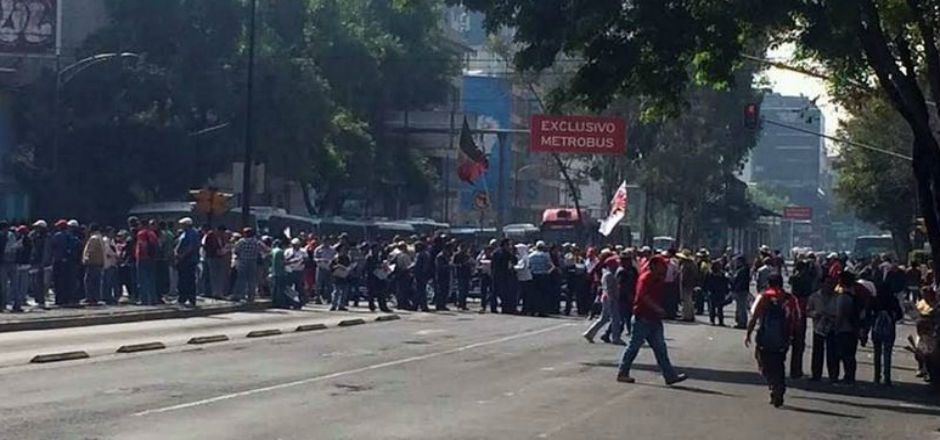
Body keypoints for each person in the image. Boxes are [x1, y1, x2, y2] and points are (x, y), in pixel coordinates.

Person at [616, 256, 687, 385]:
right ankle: (623, 373)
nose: (664, 267)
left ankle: (670, 376)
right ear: (653, 265)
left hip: (654, 318)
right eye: (662, 265)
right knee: (633, 347)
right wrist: (657, 308)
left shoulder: (658, 278)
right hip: (642, 318)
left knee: (661, 349)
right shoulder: (646, 278)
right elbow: (643, 296)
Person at [746, 274, 800, 408]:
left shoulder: (764, 296)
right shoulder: (790, 298)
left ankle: (773, 385)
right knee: (779, 363)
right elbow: (796, 318)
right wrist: (792, 336)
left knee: (763, 362)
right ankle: (779, 386)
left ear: (769, 283)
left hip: (764, 338)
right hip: (783, 338)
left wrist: (748, 334)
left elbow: (754, 316)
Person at [583, 256, 624, 344]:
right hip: (610, 298)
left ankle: (589, 333)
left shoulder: (608, 274)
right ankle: (616, 338)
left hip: (607, 298)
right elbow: (608, 289)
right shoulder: (609, 275)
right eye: (615, 264)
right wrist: (612, 299)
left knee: (604, 318)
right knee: (616, 319)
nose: (617, 266)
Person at [870, 285, 904, 386]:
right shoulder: (893, 300)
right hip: (889, 329)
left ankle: (876, 376)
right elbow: (899, 315)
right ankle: (887, 377)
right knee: (887, 353)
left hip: (876, 329)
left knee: (877, 353)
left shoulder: (875, 300)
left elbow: (869, 313)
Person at [806, 277, 837, 381]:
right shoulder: (814, 296)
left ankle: (833, 375)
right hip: (818, 327)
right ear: (822, 284)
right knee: (817, 352)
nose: (829, 286)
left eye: (832, 283)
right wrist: (815, 314)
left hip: (832, 327)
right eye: (827, 283)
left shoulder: (837, 297)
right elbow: (808, 311)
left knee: (832, 353)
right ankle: (816, 374)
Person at [788, 259, 814, 379]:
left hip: (794, 308)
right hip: (802, 309)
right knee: (799, 342)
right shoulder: (807, 279)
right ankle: (796, 370)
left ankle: (794, 369)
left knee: (794, 341)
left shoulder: (794, 278)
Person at [232, 228, 265, 303]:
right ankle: (251, 297)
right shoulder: (257, 242)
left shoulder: (241, 241)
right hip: (253, 262)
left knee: (241, 279)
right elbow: (265, 249)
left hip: (243, 261)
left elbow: (235, 251)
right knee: (252, 280)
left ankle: (239, 295)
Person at [175, 218, 200, 307]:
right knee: (182, 280)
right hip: (183, 260)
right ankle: (182, 298)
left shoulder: (192, 233)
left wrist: (182, 255)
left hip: (188, 260)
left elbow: (191, 247)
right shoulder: (185, 233)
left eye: (183, 224)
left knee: (188, 280)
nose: (181, 226)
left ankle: (191, 299)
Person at [490, 239, 518, 314]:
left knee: (495, 292)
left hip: (496, 274)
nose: (509, 246)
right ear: (505, 245)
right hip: (503, 275)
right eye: (508, 245)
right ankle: (504, 308)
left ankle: (494, 307)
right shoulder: (505, 253)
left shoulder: (496, 252)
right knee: (503, 292)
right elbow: (514, 261)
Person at [81, 223, 106, 306]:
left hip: (92, 263)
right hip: (99, 262)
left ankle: (90, 298)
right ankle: (96, 297)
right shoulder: (100, 237)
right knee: (97, 281)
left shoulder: (93, 238)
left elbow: (90, 251)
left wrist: (86, 260)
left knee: (89, 281)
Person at [529, 241, 554, 317]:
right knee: (543, 295)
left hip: (533, 276)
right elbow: (552, 266)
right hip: (543, 276)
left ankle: (533, 310)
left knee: (534, 294)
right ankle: (542, 311)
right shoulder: (545, 255)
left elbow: (528, 266)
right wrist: (548, 272)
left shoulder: (531, 255)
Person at [616, 250, 639, 334]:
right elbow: (620, 285)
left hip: (632, 294)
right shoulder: (621, 271)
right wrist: (628, 294)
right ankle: (611, 332)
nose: (625, 261)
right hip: (623, 296)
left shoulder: (633, 270)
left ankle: (631, 331)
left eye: (627, 259)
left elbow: (637, 281)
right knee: (621, 316)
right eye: (623, 260)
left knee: (630, 315)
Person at [364, 243, 391, 312]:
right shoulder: (369, 257)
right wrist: (376, 266)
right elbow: (368, 267)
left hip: (379, 276)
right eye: (375, 249)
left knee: (381, 292)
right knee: (371, 293)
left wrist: (383, 266)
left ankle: (383, 306)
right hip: (371, 277)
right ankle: (371, 305)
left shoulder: (379, 256)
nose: (377, 250)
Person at [28, 220, 49, 309]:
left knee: (40, 282)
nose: (36, 229)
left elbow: (45, 251)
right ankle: (37, 299)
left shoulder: (46, 238)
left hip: (41, 263)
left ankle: (41, 300)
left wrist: (43, 263)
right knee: (34, 282)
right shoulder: (35, 236)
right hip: (34, 262)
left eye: (38, 227)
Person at [9, 226, 30, 312]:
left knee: (20, 285)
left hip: (21, 264)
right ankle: (18, 302)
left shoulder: (24, 240)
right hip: (23, 264)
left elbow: (16, 249)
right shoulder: (26, 240)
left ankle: (18, 303)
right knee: (21, 285)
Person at [704, 262, 730, 326]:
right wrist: (706, 290)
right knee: (712, 307)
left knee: (720, 307)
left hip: (720, 292)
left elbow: (725, 283)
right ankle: (712, 320)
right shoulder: (710, 274)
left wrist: (726, 291)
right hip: (712, 292)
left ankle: (721, 321)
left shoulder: (722, 274)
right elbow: (706, 282)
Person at [284, 238, 308, 306]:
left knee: (299, 287)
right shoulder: (288, 251)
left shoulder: (303, 251)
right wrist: (292, 261)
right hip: (290, 271)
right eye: (294, 245)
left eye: (297, 245)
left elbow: (307, 260)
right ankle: (289, 302)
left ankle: (300, 302)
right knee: (289, 287)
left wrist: (302, 262)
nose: (296, 246)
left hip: (299, 271)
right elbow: (284, 261)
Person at [313, 239, 337, 305]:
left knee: (329, 285)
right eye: (324, 241)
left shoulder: (332, 249)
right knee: (318, 284)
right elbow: (314, 258)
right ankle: (317, 298)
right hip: (320, 268)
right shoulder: (318, 249)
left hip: (329, 269)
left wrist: (330, 261)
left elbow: (335, 258)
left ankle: (329, 299)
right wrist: (320, 260)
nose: (326, 243)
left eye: (327, 241)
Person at [330, 245, 353, 311]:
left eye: (345, 250)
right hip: (337, 276)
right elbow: (331, 266)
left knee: (344, 292)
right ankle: (334, 305)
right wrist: (337, 267)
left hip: (345, 276)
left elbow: (349, 265)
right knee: (336, 291)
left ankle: (341, 305)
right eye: (342, 250)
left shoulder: (347, 258)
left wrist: (349, 269)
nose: (344, 251)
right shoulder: (335, 258)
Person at [731, 256, 751, 329]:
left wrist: (736, 288)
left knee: (741, 307)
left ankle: (742, 323)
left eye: (737, 261)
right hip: (740, 290)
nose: (736, 263)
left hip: (741, 291)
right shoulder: (741, 269)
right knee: (740, 307)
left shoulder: (743, 270)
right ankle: (740, 321)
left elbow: (740, 281)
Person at [515, 243, 535, 315]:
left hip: (525, 279)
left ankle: (525, 310)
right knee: (522, 295)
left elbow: (522, 267)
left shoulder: (525, 257)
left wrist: (513, 267)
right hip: (521, 278)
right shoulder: (519, 257)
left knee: (525, 295)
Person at [678, 250, 697, 322]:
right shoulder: (692, 264)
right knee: (689, 300)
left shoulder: (686, 265)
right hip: (690, 284)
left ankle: (687, 316)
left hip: (686, 284)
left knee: (686, 300)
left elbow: (684, 276)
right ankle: (690, 315)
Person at [452, 244, 473, 311]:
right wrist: (461, 265)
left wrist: (469, 265)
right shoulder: (456, 255)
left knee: (465, 290)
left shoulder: (467, 256)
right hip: (459, 274)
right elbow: (453, 264)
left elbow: (470, 264)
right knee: (460, 290)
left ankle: (463, 304)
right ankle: (460, 303)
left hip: (466, 274)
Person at [433, 244, 452, 311]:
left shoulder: (446, 256)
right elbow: (440, 267)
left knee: (445, 291)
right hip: (441, 276)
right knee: (440, 291)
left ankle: (443, 304)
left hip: (446, 275)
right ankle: (439, 305)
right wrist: (448, 265)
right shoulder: (440, 256)